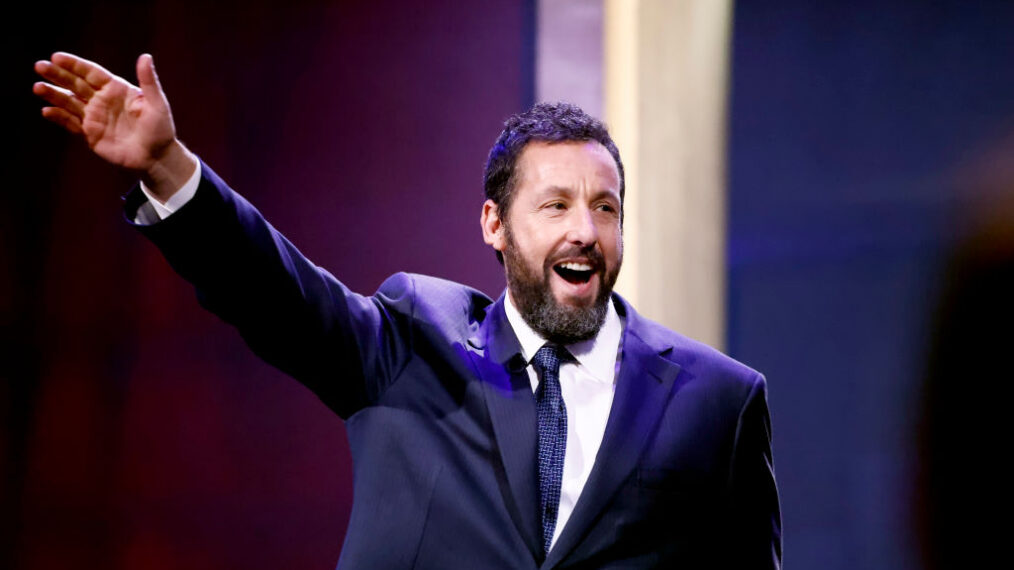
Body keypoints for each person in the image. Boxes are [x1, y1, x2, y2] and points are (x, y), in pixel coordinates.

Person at [34, 52, 782, 569]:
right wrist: (169, 166)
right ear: (493, 224)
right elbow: (274, 289)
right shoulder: (414, 339)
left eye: (605, 207)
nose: (584, 230)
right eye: (554, 206)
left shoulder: (716, 400)